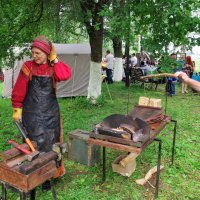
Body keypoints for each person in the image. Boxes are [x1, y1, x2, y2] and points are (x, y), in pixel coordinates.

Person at [11, 35, 71, 190]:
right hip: (31, 113)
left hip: (50, 113)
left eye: (38, 53)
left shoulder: (53, 67)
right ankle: (34, 173)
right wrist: (17, 108)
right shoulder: (27, 66)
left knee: (51, 144)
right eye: (33, 52)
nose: (34, 56)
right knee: (33, 143)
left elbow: (65, 75)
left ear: (46, 53)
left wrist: (55, 59)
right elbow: (19, 89)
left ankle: (51, 175)